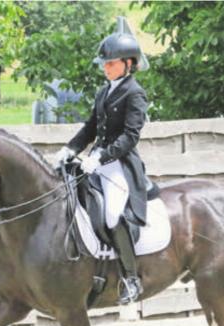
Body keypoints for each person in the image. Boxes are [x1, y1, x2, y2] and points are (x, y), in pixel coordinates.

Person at [55, 32, 149, 305]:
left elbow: (130, 137)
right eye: (105, 64)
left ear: (129, 63)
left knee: (111, 215)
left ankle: (131, 279)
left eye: (112, 63)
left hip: (119, 164)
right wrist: (70, 149)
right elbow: (91, 128)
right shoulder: (103, 91)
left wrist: (101, 157)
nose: (106, 68)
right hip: (95, 160)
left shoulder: (135, 93)